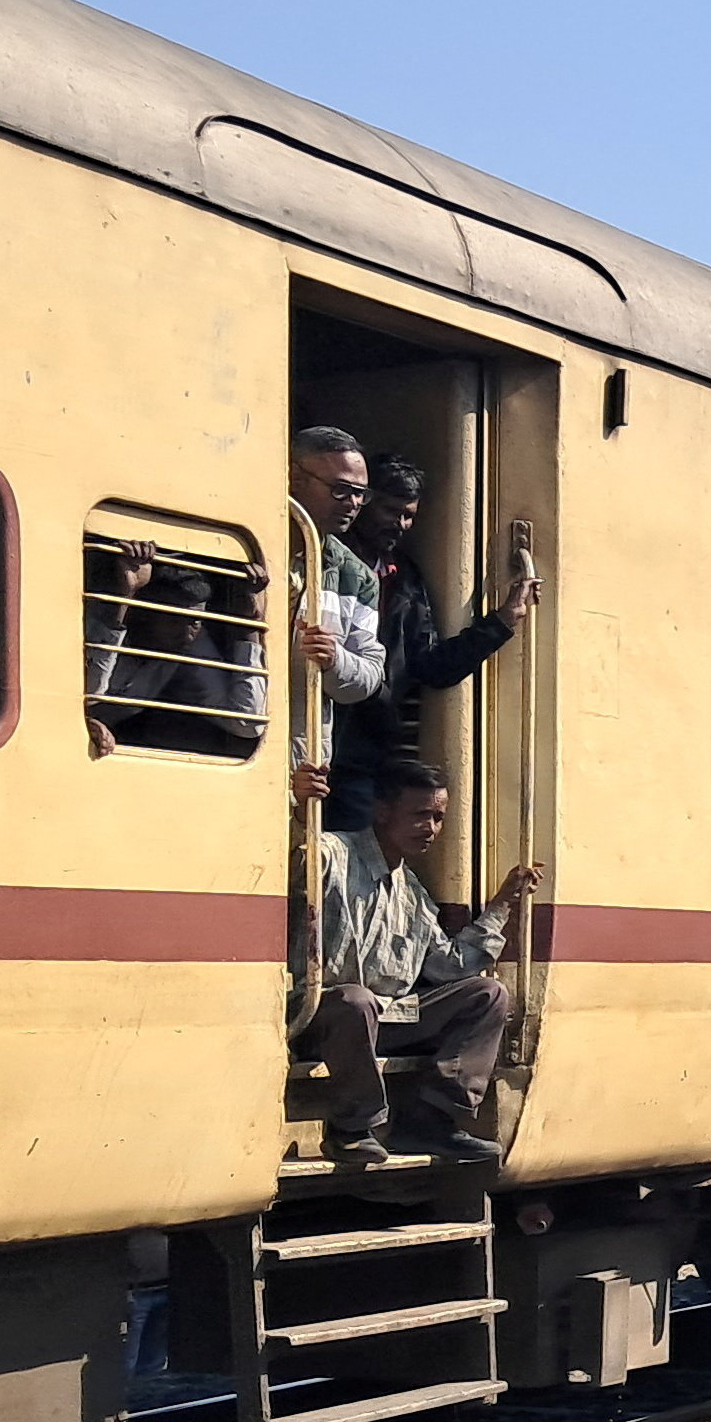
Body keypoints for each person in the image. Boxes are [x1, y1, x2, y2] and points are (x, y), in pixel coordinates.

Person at [297, 759, 540, 1166]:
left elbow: (447, 966)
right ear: (383, 811)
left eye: (438, 817)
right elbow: (293, 856)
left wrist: (502, 903)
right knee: (355, 1000)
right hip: (319, 1018)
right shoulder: (334, 853)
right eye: (420, 815)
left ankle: (433, 1119)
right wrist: (300, 807)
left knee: (488, 993)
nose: (430, 828)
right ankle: (352, 1129)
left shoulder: (412, 893)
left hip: (387, 1018)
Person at [325, 456, 531, 803]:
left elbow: (430, 666)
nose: (401, 524)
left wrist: (504, 620)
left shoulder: (404, 577)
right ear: (365, 503)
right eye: (391, 511)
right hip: (324, 732)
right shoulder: (329, 558)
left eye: (408, 516)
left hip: (367, 748)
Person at [87, 555, 267, 759]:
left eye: (197, 621)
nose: (189, 630)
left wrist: (250, 626)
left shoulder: (186, 644)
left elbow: (247, 721)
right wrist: (125, 594)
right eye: (176, 619)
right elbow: (89, 690)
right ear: (144, 612)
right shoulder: (97, 626)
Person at [289, 428, 390, 777]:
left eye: (360, 494)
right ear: (294, 478)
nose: (353, 504)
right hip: (221, 733)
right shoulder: (244, 545)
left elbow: (370, 673)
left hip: (303, 761)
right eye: (340, 490)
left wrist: (335, 660)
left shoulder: (356, 576)